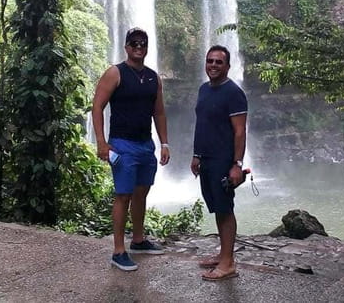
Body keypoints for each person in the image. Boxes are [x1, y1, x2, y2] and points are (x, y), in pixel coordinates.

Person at [92, 27, 171, 271]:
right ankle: (118, 250)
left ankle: (138, 240)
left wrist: (164, 143)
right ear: (126, 47)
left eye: (143, 44)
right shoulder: (115, 73)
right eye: (134, 43)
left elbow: (158, 111)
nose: (139, 47)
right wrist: (102, 142)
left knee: (141, 194)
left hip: (145, 145)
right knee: (123, 195)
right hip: (122, 145)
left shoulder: (152, 77)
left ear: (147, 48)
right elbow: (97, 107)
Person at [190, 45, 247, 281]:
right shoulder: (204, 89)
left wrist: (237, 164)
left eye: (218, 62)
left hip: (224, 160)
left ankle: (227, 264)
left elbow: (240, 131)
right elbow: (202, 125)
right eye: (210, 61)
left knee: (225, 209)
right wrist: (196, 155)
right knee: (216, 206)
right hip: (207, 159)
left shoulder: (234, 93)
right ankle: (224, 254)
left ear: (228, 66)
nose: (213, 65)